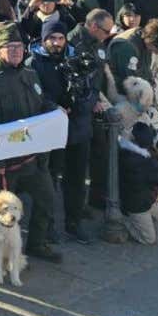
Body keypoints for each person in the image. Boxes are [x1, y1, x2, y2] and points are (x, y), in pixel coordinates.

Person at [0, 21, 61, 263]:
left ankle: (37, 243)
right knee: (5, 215)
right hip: (7, 163)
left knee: (46, 200)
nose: (15, 51)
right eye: (9, 46)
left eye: (19, 46)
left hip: (34, 157)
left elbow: (41, 102)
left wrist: (55, 109)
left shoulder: (30, 73)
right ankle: (0, 256)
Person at [28, 19, 102, 245]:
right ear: (44, 40)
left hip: (78, 128)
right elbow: (35, 94)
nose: (56, 43)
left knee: (77, 179)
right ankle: (47, 225)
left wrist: (82, 104)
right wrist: (54, 107)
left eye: (60, 38)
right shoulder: (34, 63)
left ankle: (74, 222)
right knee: (49, 181)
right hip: (51, 130)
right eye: (52, 38)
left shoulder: (78, 56)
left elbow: (94, 86)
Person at [119, 121, 158, 245]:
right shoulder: (145, 160)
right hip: (136, 204)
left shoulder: (126, 150)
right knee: (149, 239)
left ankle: (138, 219)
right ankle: (124, 220)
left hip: (144, 197)